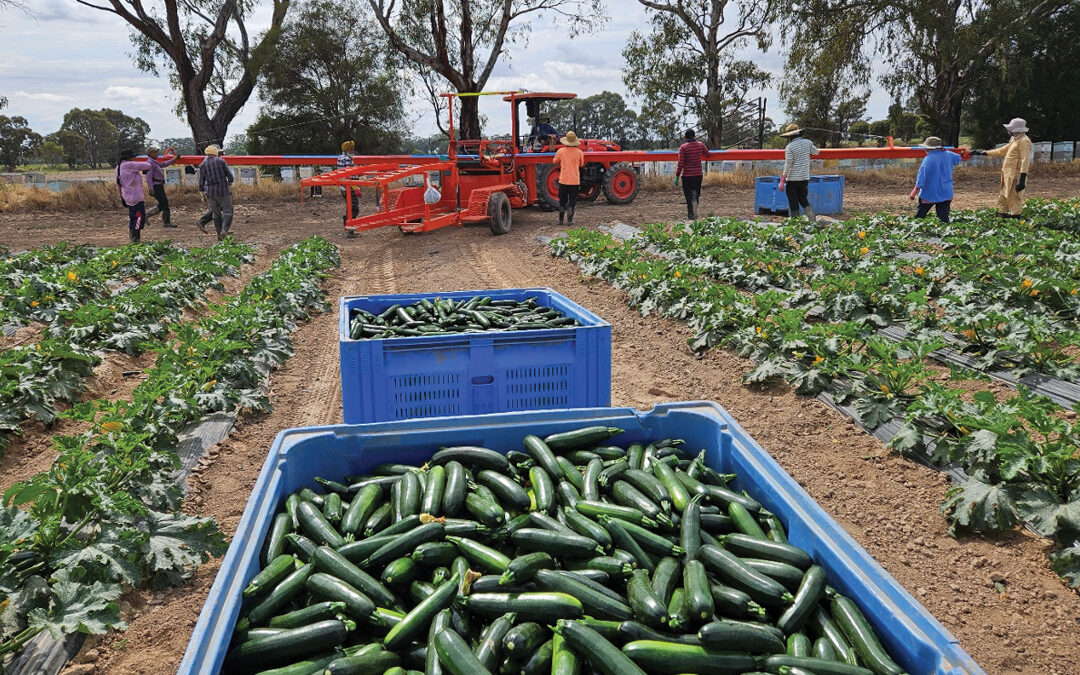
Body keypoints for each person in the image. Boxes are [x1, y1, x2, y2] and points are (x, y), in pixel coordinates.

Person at [971, 117, 1031, 218]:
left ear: (1016, 129)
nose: (1008, 131)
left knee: (1014, 197)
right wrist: (983, 152)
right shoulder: (1015, 140)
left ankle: (1016, 217)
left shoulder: (1024, 141)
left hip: (1015, 175)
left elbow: (1025, 160)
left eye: (1010, 129)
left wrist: (1022, 178)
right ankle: (1003, 214)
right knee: (1003, 195)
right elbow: (1002, 151)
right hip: (1007, 174)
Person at [778, 123, 820, 220]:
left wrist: (782, 179)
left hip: (792, 179)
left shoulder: (790, 147)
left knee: (793, 202)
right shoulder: (808, 142)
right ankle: (812, 219)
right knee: (803, 200)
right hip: (804, 177)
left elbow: (788, 163)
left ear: (789, 136)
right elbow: (816, 152)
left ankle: (795, 223)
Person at [196, 145, 234, 240]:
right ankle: (224, 231)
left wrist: (202, 191)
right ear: (215, 152)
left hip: (210, 192)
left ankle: (219, 236)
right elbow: (229, 175)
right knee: (228, 211)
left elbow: (201, 180)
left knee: (216, 214)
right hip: (222, 190)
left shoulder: (203, 164)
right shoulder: (221, 161)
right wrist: (230, 181)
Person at [115, 149, 153, 243]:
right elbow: (148, 165)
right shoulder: (129, 165)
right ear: (128, 158)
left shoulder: (118, 167)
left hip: (127, 195)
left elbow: (118, 184)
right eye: (133, 157)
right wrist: (149, 159)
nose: (135, 158)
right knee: (140, 217)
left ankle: (133, 237)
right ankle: (136, 238)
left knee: (133, 217)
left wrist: (121, 197)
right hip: (135, 196)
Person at [674, 129, 710, 219]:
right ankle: (695, 211)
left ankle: (691, 215)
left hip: (687, 176)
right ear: (694, 136)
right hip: (698, 174)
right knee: (696, 194)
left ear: (685, 137)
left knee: (688, 196)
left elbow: (681, 163)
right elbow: (708, 154)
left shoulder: (683, 147)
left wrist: (677, 176)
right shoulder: (700, 145)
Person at [553, 131, 585, 225]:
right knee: (572, 201)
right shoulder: (579, 152)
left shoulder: (561, 151)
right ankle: (570, 220)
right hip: (574, 180)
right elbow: (581, 164)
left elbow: (555, 161)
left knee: (562, 200)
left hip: (563, 180)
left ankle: (560, 220)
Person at [144, 146, 177, 228]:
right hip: (156, 186)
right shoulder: (150, 163)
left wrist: (174, 159)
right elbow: (148, 177)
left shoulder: (154, 162)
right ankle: (166, 222)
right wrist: (151, 188)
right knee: (164, 203)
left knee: (162, 204)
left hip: (158, 185)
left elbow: (163, 164)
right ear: (150, 153)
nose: (157, 153)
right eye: (155, 152)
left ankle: (146, 215)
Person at [338, 140, 360, 220]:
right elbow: (348, 175)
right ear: (347, 150)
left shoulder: (340, 157)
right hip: (349, 187)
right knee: (354, 208)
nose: (353, 151)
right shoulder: (347, 159)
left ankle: (349, 225)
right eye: (351, 149)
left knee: (350, 206)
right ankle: (348, 223)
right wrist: (355, 188)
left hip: (343, 187)